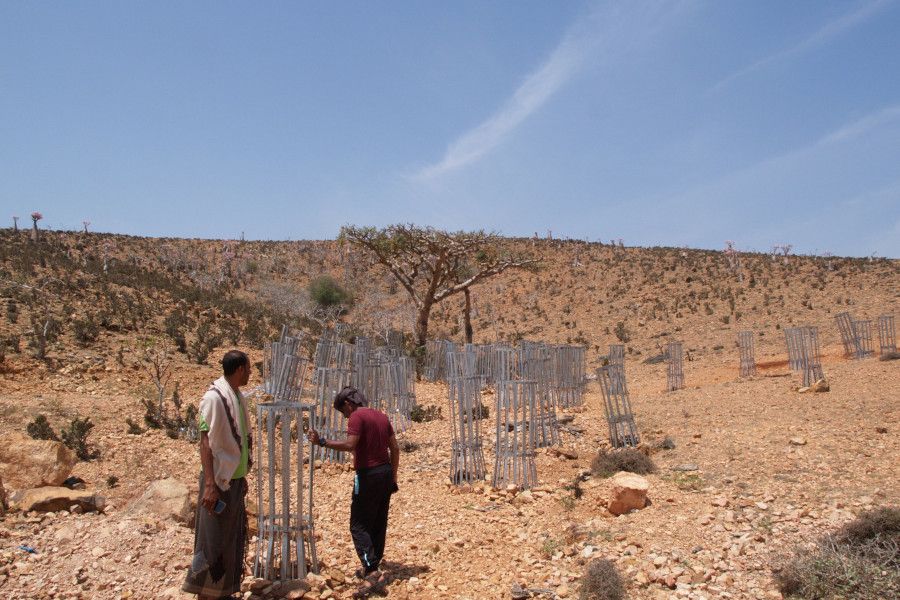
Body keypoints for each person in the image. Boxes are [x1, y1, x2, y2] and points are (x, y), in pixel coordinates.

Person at [308, 386, 400, 583]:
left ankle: (370, 567)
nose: (345, 417)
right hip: (385, 472)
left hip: (368, 475)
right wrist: (393, 478)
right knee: (378, 521)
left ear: (348, 404)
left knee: (358, 525)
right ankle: (374, 563)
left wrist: (322, 442)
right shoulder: (381, 416)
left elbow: (351, 445)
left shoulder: (357, 417)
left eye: (343, 412)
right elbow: (395, 448)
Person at [183, 350, 253, 600]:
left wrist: (241, 475)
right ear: (240, 370)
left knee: (230, 537)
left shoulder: (236, 396)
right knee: (212, 539)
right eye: (249, 368)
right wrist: (210, 484)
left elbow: (238, 444)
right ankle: (205, 593)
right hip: (218, 482)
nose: (251, 373)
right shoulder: (214, 398)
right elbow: (205, 442)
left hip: (232, 479)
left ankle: (222, 592)